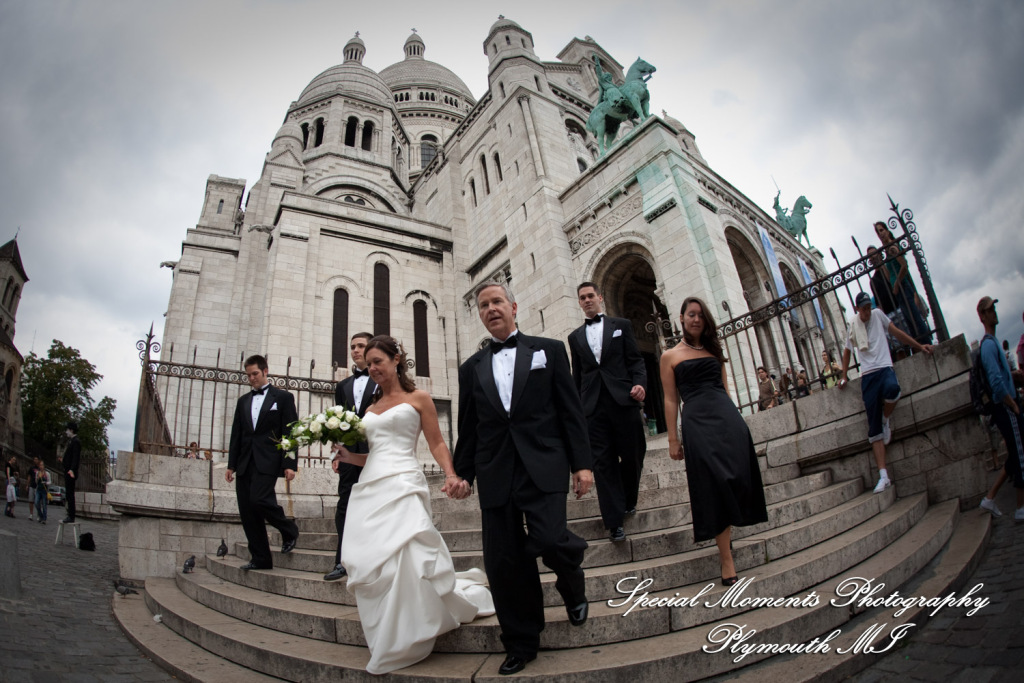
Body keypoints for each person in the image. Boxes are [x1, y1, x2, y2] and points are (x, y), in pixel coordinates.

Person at [453, 281, 594, 676]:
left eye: (497, 301)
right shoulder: (471, 368)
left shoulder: (548, 351)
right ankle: (521, 641)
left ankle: (572, 581)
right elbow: (470, 427)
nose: (491, 308)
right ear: (479, 314)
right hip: (495, 471)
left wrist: (582, 464)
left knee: (550, 538)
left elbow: (570, 410)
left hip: (543, 464)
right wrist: (462, 474)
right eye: (484, 305)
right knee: (504, 562)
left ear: (514, 307)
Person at [334, 335, 493, 674]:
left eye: (378, 361)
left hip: (404, 482)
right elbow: (374, 454)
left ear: (396, 360)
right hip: (371, 486)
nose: (372, 367)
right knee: (374, 560)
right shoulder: (370, 408)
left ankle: (409, 629)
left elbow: (436, 442)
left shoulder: (418, 398)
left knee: (407, 553)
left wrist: (451, 474)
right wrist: (349, 456)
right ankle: (388, 631)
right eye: (369, 363)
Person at [660, 296, 768, 586]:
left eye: (701, 315)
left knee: (735, 478)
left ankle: (727, 538)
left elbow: (725, 389)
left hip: (726, 419)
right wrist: (673, 438)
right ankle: (726, 558)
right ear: (681, 318)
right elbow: (671, 399)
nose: (696, 319)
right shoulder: (669, 356)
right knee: (713, 484)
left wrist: (737, 423)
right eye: (691, 314)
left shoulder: (713, 350)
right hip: (696, 423)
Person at [568, 282, 647, 542]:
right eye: (582, 298)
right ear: (579, 302)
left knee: (634, 455)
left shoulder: (621, 326)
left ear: (600, 297)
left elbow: (635, 360)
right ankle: (614, 523)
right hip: (593, 408)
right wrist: (578, 408)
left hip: (623, 400)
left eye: (591, 295)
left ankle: (628, 499)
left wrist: (640, 384)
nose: (587, 300)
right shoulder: (575, 337)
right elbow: (577, 375)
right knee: (603, 465)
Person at [839, 292, 934, 494]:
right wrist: (845, 375)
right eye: (863, 309)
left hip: (884, 368)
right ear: (857, 309)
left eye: (867, 307)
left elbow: (897, 332)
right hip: (868, 376)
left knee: (893, 390)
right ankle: (884, 476)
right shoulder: (853, 324)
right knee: (873, 430)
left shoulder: (879, 315)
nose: (866, 312)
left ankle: (886, 417)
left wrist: (919, 346)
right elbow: (847, 350)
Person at [226, 355, 300, 571]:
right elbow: (236, 435)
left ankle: (289, 529)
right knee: (247, 511)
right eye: (248, 375)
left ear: (266, 371)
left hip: (269, 460)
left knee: (259, 500)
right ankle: (261, 559)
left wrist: (290, 463)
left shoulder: (283, 398)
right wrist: (231, 465)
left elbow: (291, 431)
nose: (252, 379)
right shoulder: (243, 402)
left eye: (255, 374)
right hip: (244, 462)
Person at [324, 331, 377, 582]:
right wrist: (336, 454)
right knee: (344, 505)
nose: (355, 350)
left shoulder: (382, 381)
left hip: (376, 454)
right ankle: (341, 561)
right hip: (348, 456)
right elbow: (337, 423)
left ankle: (372, 558)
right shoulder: (342, 386)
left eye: (361, 346)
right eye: (353, 346)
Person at [976, 298, 1024, 520]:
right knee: (1019, 454)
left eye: (994, 309)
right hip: (1005, 406)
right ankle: (1020, 507)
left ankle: (990, 498)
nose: (994, 313)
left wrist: (1013, 377)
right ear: (982, 316)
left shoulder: (991, 343)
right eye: (989, 310)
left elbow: (1001, 377)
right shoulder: (988, 345)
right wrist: (1012, 403)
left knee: (1015, 455)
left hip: (1007, 403)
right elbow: (996, 382)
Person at [873, 222, 932, 345]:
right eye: (878, 232)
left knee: (915, 318)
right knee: (910, 322)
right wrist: (882, 264)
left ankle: (927, 343)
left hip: (903, 287)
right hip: (898, 291)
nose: (880, 234)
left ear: (888, 231)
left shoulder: (892, 247)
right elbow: (889, 277)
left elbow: (904, 266)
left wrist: (897, 284)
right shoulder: (887, 250)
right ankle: (921, 345)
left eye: (882, 230)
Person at [62, 422, 81, 523]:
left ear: (72, 430)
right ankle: (70, 514)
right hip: (68, 470)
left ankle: (71, 515)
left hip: (70, 472)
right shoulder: (72, 441)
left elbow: (75, 457)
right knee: (68, 494)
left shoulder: (76, 442)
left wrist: (72, 469)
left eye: (67, 430)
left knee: (70, 494)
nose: (66, 432)